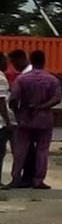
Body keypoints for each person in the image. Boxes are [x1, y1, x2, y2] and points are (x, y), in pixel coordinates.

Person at [6, 50, 61, 189]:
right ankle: (38, 180)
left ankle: (16, 178)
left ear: (31, 60)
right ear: (44, 61)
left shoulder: (22, 79)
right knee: (42, 150)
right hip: (44, 119)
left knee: (21, 149)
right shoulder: (52, 79)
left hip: (25, 119)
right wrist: (42, 106)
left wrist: (18, 111)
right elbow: (57, 98)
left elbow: (13, 99)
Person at [0, 53, 14, 186]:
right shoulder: (1, 77)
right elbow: (1, 102)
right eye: (5, 61)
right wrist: (8, 121)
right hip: (0, 123)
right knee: (0, 152)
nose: (7, 65)